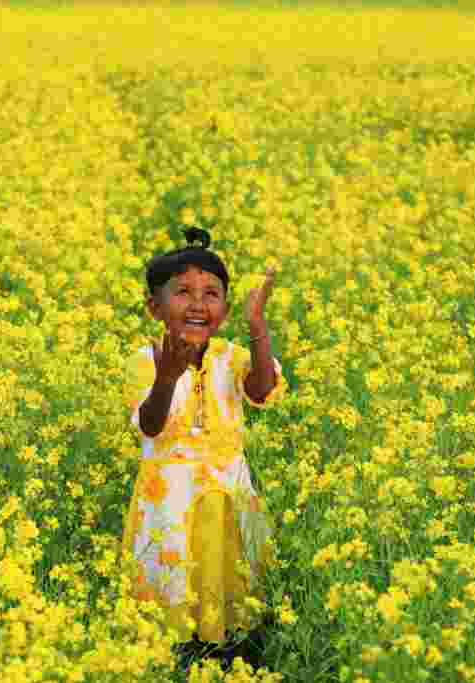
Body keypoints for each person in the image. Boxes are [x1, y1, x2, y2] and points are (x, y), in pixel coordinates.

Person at [121, 226, 287, 672]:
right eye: (184, 293)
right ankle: (175, 657)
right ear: (154, 306)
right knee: (173, 575)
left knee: (229, 574)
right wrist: (167, 376)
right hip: (167, 500)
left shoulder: (232, 357)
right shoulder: (145, 360)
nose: (199, 304)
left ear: (226, 308)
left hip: (227, 491)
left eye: (212, 294)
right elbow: (150, 426)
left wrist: (257, 328)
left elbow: (262, 388)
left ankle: (233, 653)